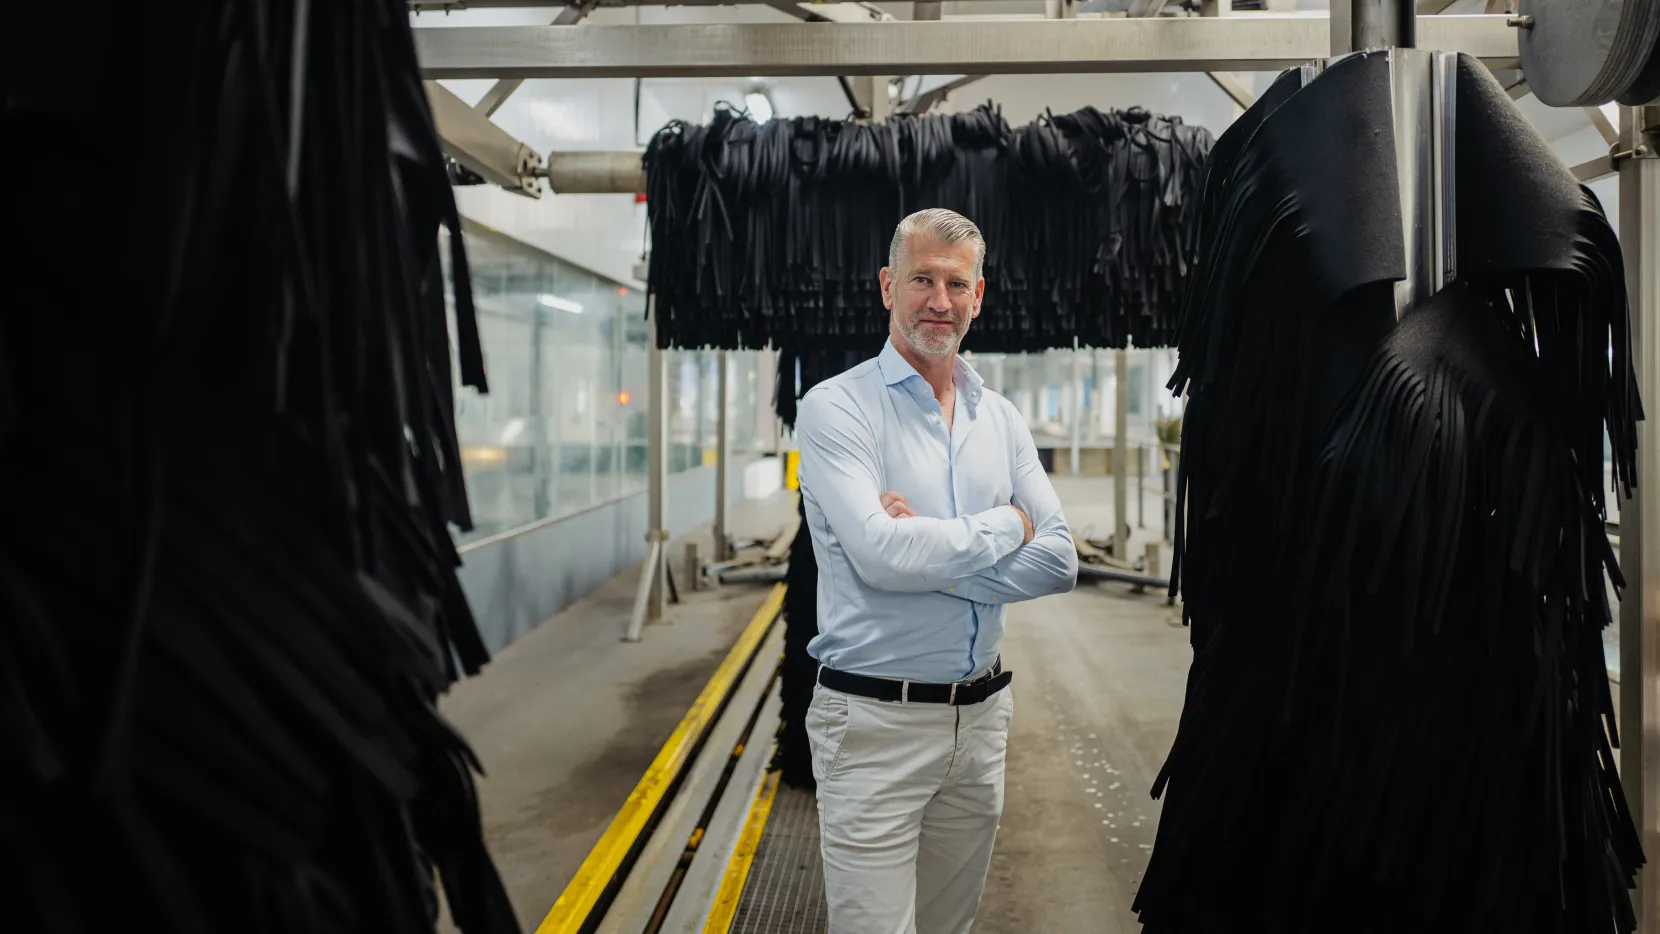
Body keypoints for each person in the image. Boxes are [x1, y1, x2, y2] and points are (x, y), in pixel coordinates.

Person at [794, 207, 1079, 934]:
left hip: (981, 723)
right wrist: (1003, 526)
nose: (940, 301)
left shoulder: (1002, 420)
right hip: (871, 727)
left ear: (978, 296)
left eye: (957, 283)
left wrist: (922, 545)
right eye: (922, 279)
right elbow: (882, 556)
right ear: (889, 286)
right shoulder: (836, 409)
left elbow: (1059, 560)